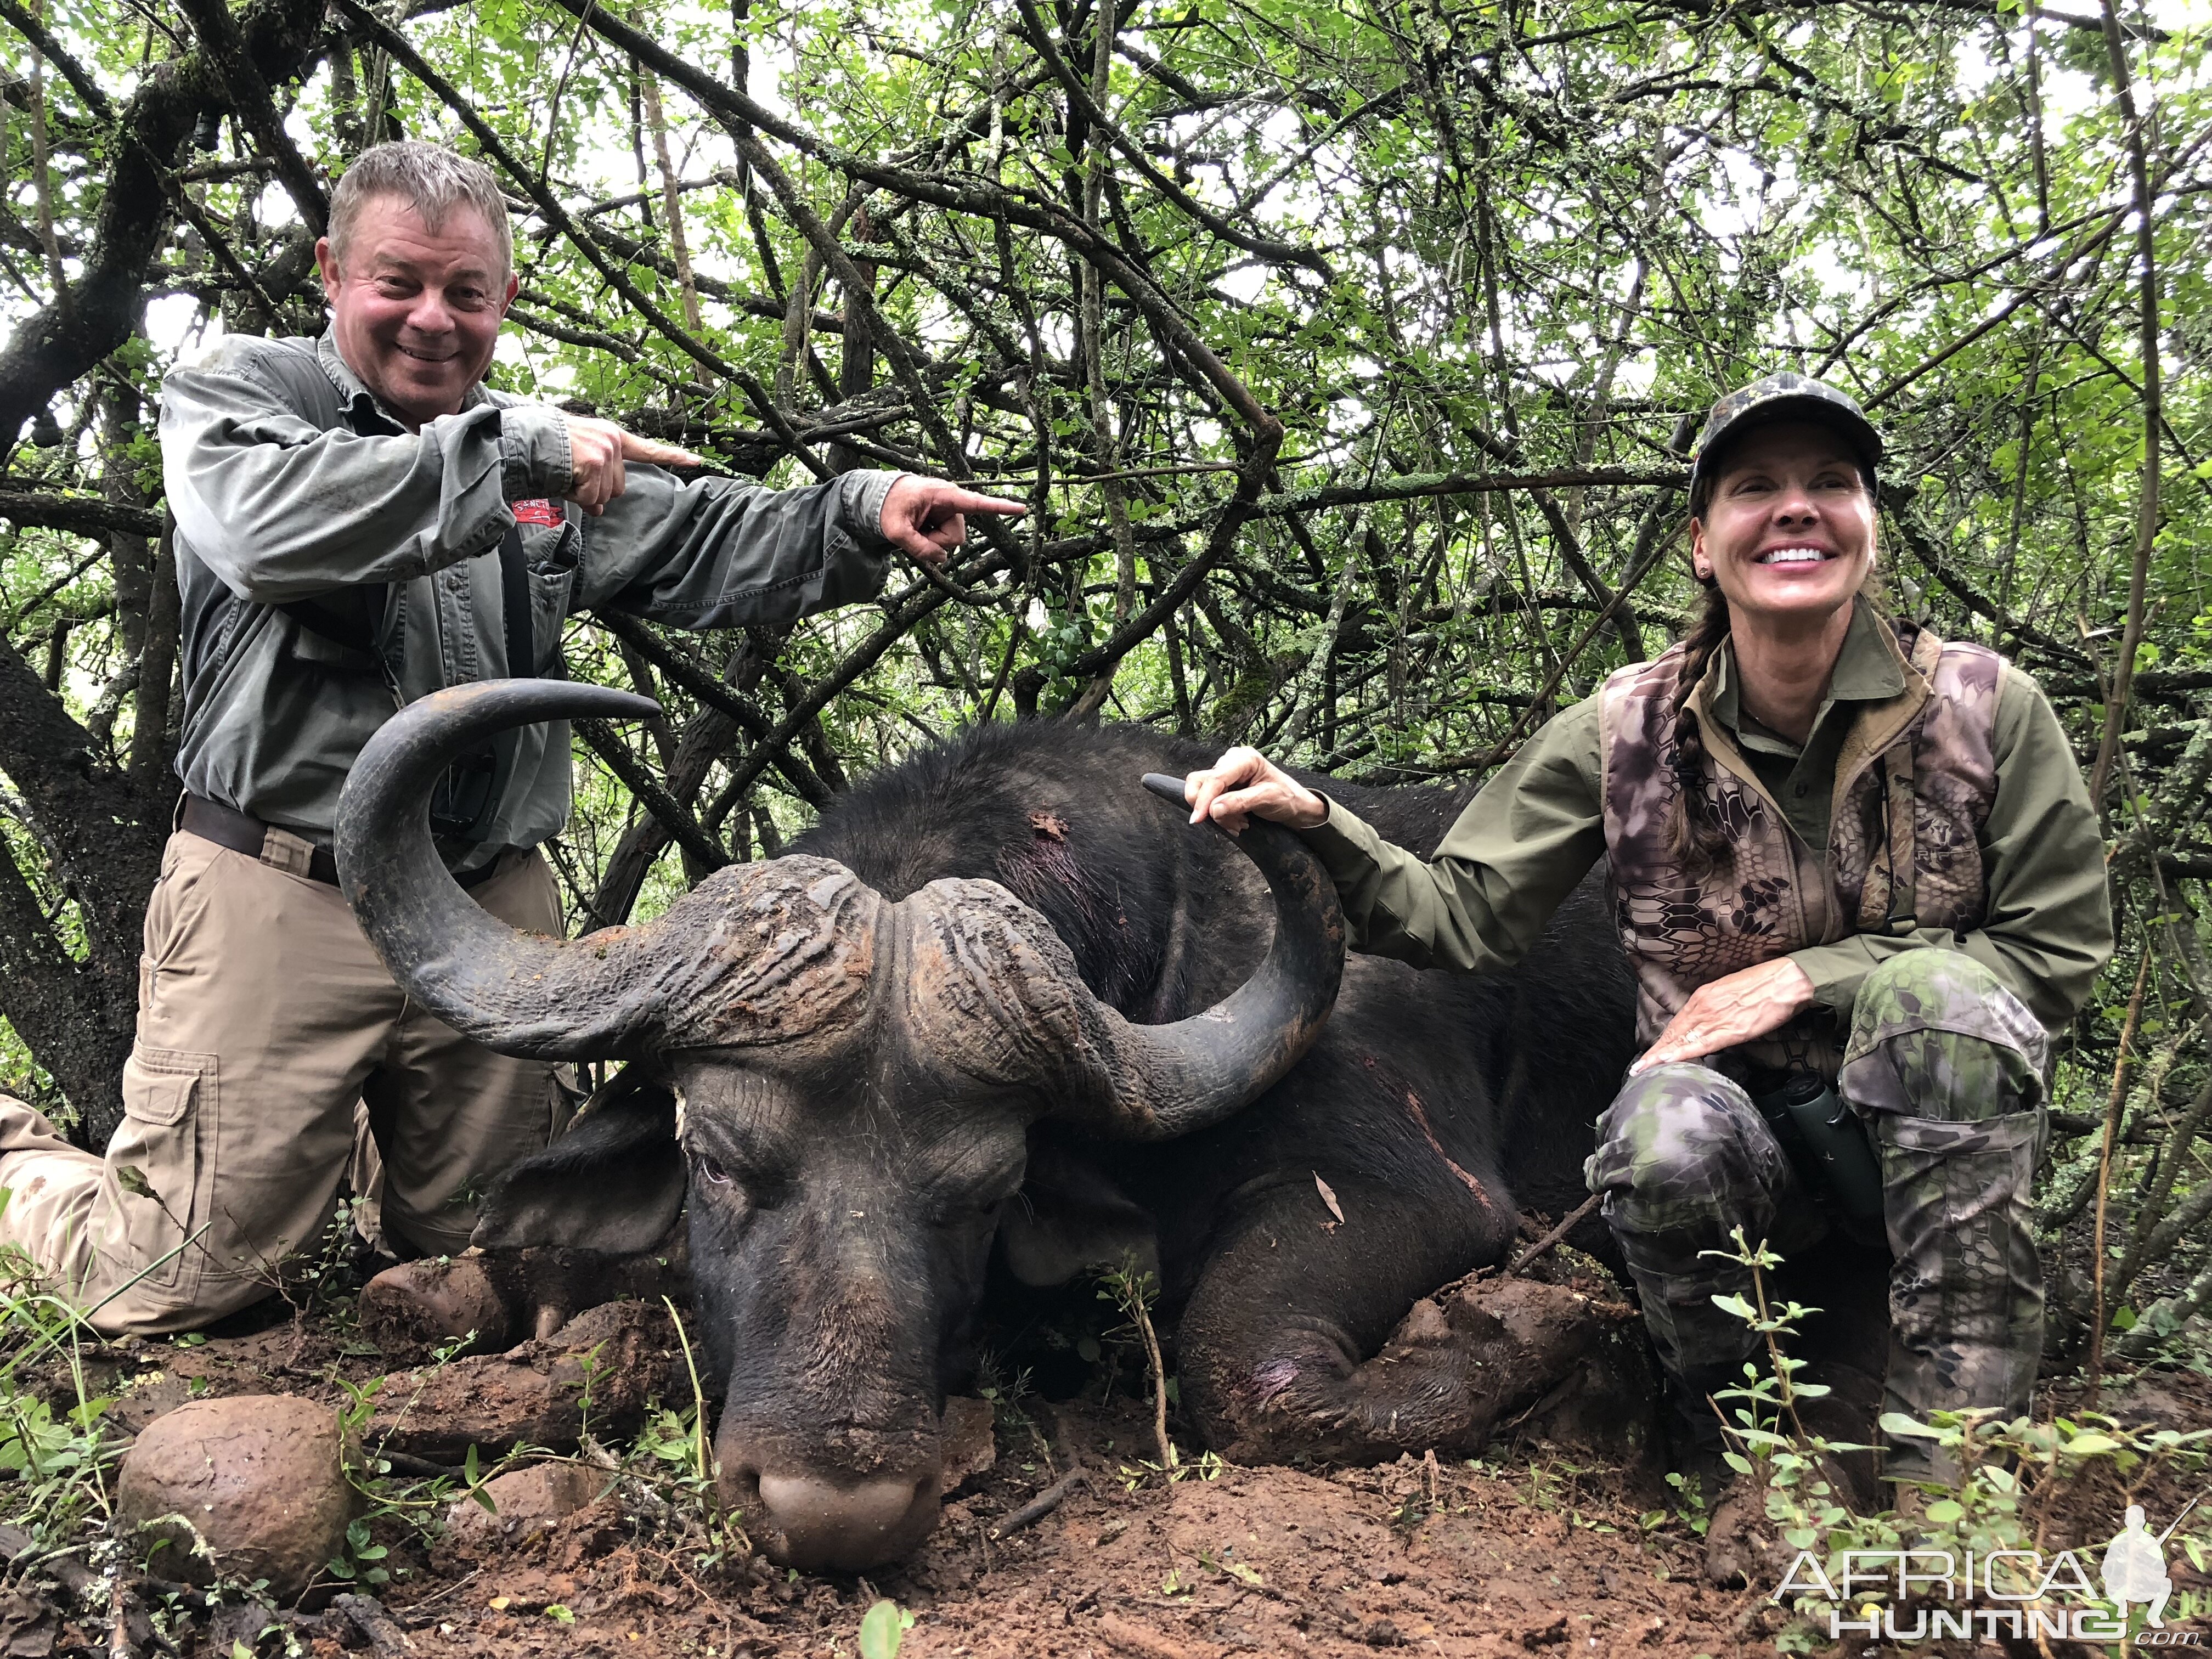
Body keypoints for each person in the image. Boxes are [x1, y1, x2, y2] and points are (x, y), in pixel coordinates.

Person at [0, 140, 1023, 1335]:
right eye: (399, 282)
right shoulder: (243, 393)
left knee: (510, 1260)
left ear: (506, 300)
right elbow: (260, 531)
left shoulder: (541, 454)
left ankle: (383, 1151)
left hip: (490, 905)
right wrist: (522, 450)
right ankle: (20, 1161)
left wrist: (860, 510)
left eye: (466, 292)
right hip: (283, 890)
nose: (434, 318)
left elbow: (700, 539)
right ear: (331, 272)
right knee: (169, 1284)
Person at [1182, 373, 2112, 1514]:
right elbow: (1459, 914)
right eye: (1755, 489)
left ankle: (1952, 1485)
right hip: (1741, 1161)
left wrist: (1810, 975)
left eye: (1831, 484)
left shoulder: (1986, 708)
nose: (1796, 510)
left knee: (1941, 1003)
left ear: (1870, 524)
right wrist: (1318, 828)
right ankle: (1734, 1463)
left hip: (1920, 1152)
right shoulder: (1624, 730)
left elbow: (2059, 953)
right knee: (1658, 1124)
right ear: (1701, 543)